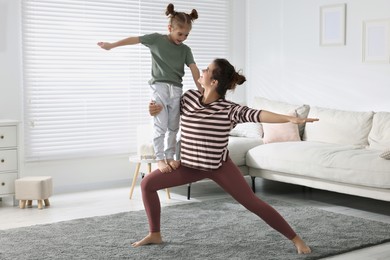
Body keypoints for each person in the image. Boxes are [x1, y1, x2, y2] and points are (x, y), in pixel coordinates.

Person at [132, 58, 318, 254]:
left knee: (253, 203)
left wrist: (289, 118)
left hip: (219, 167)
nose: (201, 71)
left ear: (213, 82)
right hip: (189, 166)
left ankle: (296, 239)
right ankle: (155, 234)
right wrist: (154, 109)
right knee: (147, 184)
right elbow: (167, 113)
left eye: (207, 70)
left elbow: (258, 114)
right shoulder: (188, 98)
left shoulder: (229, 110)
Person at [97, 3, 202, 173]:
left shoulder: (185, 50)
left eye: (186, 35)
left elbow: (194, 69)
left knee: (174, 126)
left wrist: (202, 90)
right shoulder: (156, 40)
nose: (182, 38)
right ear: (170, 28)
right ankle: (160, 159)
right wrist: (112, 45)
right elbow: (134, 39)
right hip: (159, 87)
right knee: (161, 125)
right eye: (179, 33)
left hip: (176, 89)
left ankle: (170, 156)